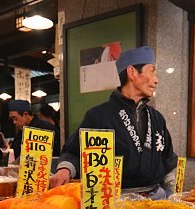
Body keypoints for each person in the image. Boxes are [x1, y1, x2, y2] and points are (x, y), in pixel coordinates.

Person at [49, 46, 177, 199]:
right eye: (152, 71)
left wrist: (172, 196)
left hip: (156, 198)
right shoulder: (99, 116)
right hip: (113, 200)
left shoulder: (156, 118)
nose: (156, 80)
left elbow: (169, 160)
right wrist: (64, 170)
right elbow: (74, 152)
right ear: (132, 72)